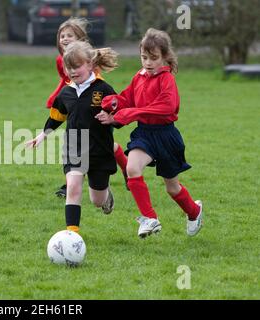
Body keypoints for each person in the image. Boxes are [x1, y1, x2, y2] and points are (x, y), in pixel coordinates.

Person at [97, 28, 203, 238]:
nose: (148, 63)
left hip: (166, 137)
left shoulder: (167, 80)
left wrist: (131, 113)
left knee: (172, 188)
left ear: (165, 57)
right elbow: (128, 99)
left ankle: (194, 211)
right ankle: (150, 218)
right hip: (144, 134)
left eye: (154, 58)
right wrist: (113, 104)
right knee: (132, 168)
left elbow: (166, 107)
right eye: (144, 57)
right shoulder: (139, 76)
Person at [27, 41, 119, 233]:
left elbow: (121, 114)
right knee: (73, 186)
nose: (72, 71)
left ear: (90, 64)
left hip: (99, 150)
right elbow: (56, 117)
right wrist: (43, 135)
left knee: (97, 200)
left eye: (76, 66)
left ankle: (106, 195)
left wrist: (111, 118)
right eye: (68, 67)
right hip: (74, 147)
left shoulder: (104, 89)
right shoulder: (66, 92)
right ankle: (72, 234)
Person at [47, 18, 128, 198]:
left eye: (70, 36)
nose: (65, 39)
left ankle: (124, 167)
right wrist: (56, 98)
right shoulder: (61, 60)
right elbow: (65, 81)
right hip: (75, 101)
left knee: (98, 142)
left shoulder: (87, 60)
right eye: (62, 36)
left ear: (81, 40)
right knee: (81, 141)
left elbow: (94, 84)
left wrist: (102, 106)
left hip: (94, 102)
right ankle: (72, 182)